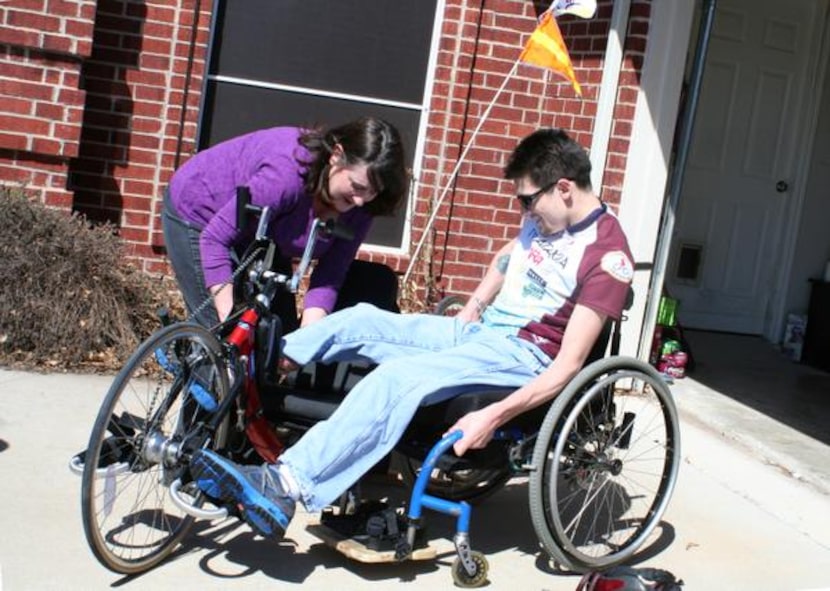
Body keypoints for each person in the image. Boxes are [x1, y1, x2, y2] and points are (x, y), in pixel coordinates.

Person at [189, 128, 635, 540]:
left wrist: (492, 416)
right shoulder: (546, 216)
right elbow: (511, 252)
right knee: (359, 318)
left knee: (396, 378)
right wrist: (475, 306)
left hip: (521, 355)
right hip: (478, 334)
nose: (525, 211)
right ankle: (236, 368)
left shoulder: (607, 258)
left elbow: (568, 367)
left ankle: (283, 484)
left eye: (527, 201)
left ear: (563, 188)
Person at [162, 117, 408, 328]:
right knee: (224, 343)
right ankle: (199, 366)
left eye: (372, 192)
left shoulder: (361, 206)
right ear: (336, 156)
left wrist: (304, 341)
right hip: (200, 213)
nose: (361, 200)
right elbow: (215, 239)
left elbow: (331, 273)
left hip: (262, 233)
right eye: (357, 186)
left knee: (278, 338)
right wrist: (229, 324)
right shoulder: (288, 174)